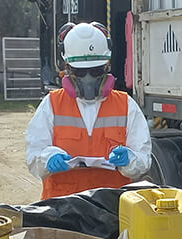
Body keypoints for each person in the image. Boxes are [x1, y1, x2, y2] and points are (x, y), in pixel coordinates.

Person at [26, 22, 152, 199]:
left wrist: (130, 159)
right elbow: (33, 156)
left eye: (95, 71)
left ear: (106, 67)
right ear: (67, 69)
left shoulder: (125, 105)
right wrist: (47, 159)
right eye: (80, 72)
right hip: (61, 208)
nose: (88, 78)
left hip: (110, 208)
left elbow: (143, 159)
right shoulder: (52, 104)